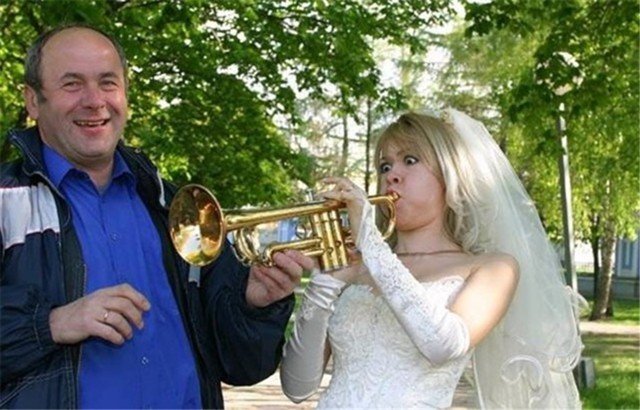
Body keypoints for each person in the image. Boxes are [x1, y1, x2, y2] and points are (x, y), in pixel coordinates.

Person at [0, 24, 314, 409]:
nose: (95, 100)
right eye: (72, 84)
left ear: (125, 95)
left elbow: (244, 365)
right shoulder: (5, 203)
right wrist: (52, 324)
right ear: (33, 101)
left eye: (108, 82)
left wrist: (255, 307)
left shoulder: (179, 208)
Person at [280, 109, 583, 408]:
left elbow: (445, 346)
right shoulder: (358, 265)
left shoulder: (494, 267)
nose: (392, 176)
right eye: (385, 166)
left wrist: (371, 244)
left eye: (410, 160)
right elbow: (297, 388)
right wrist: (324, 285)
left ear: (448, 176)